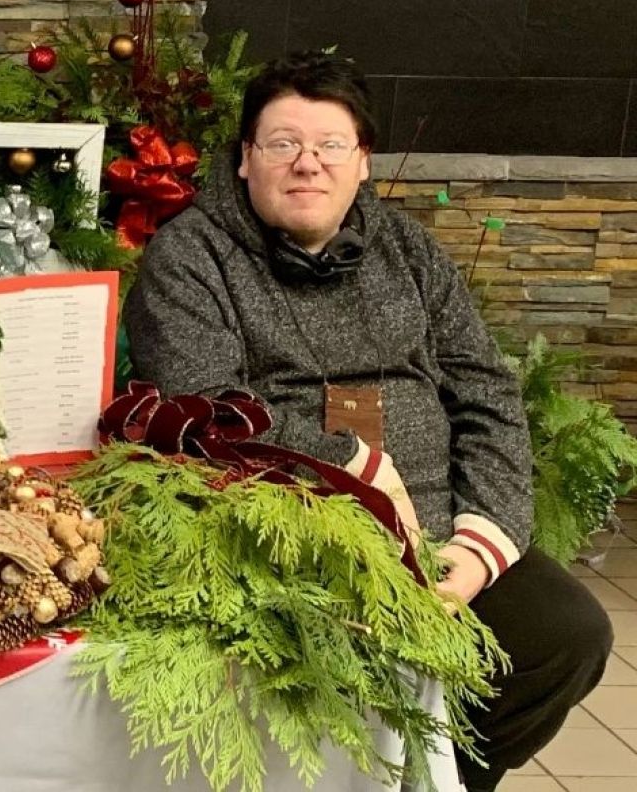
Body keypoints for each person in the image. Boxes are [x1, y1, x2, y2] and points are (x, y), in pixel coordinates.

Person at [123, 51, 611, 792]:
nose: (307, 165)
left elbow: (487, 394)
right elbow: (204, 409)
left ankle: (439, 779)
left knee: (566, 636)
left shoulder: (409, 249)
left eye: (330, 147)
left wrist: (482, 545)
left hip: (440, 532)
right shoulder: (191, 257)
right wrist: (347, 463)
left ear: (362, 165)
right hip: (291, 531)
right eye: (283, 144)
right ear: (246, 160)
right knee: (335, 676)